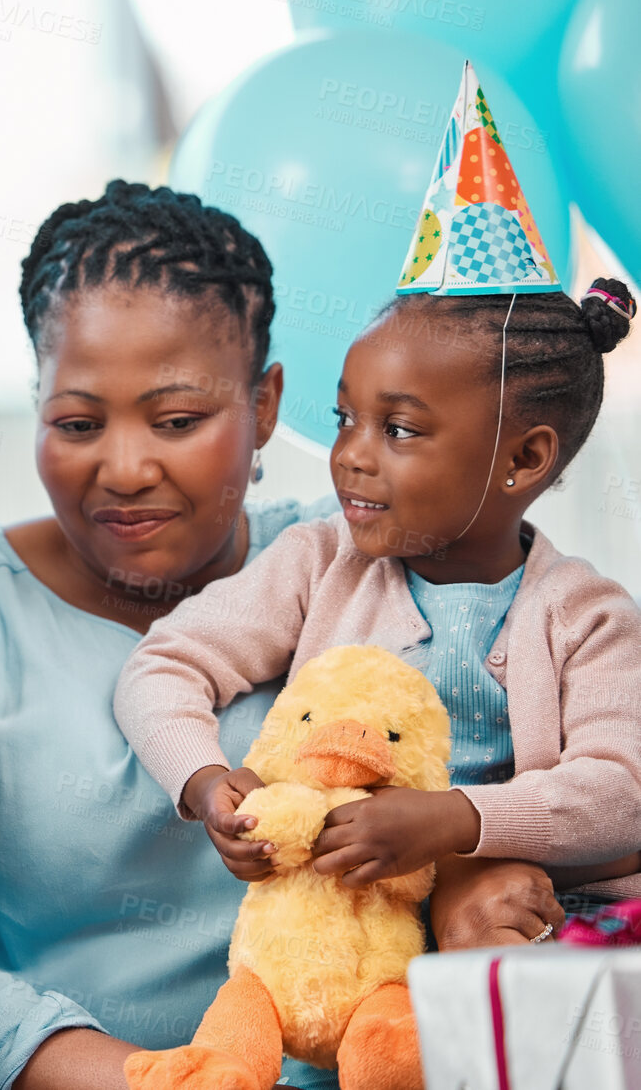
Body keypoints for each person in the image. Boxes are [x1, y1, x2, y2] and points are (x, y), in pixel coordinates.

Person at [0, 180, 566, 1090]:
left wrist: (468, 878)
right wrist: (143, 1078)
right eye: (75, 421)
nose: (127, 466)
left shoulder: (362, 561)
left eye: (179, 420)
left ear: (265, 405)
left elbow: (520, 769)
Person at [116, 277, 641, 906]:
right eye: (346, 419)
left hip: (521, 908)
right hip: (348, 925)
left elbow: (620, 790)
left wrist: (456, 820)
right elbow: (165, 662)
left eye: (399, 429)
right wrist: (203, 782)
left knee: (496, 910)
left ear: (524, 459)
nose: (350, 456)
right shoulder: (318, 561)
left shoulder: (590, 616)